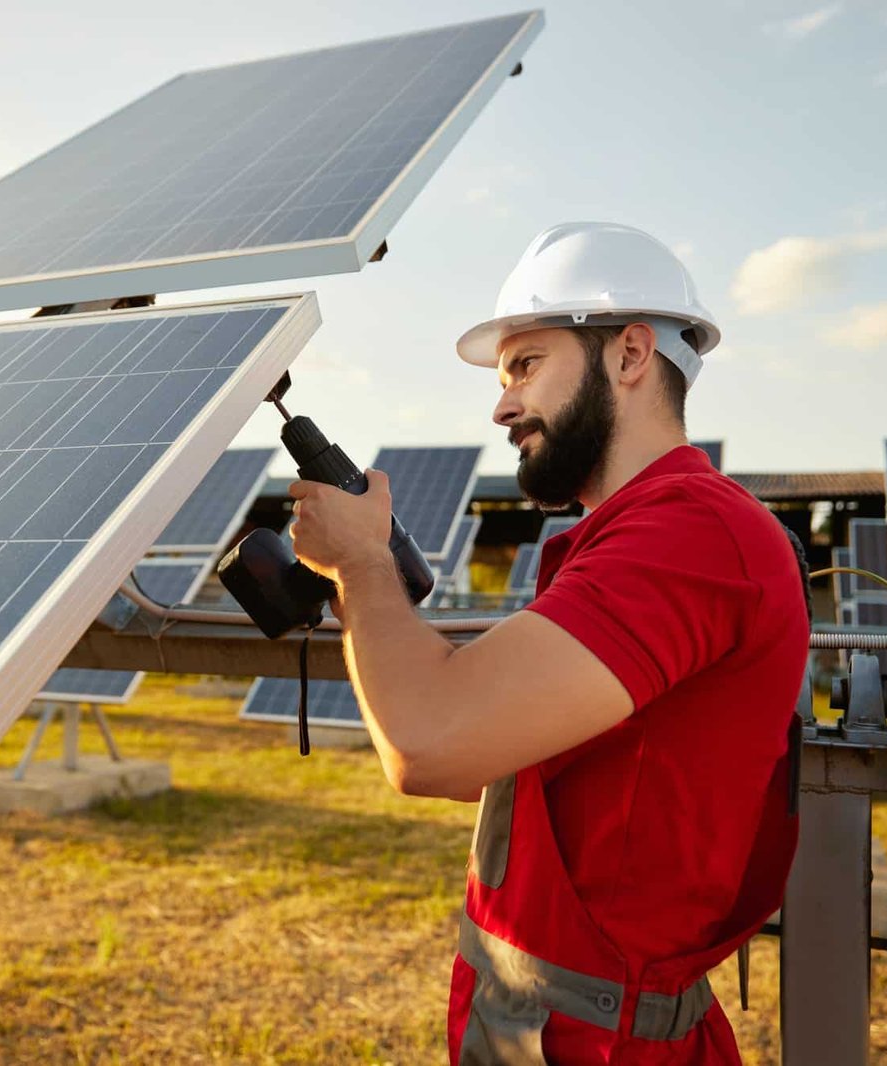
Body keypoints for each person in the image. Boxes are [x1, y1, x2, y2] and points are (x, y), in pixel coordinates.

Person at [286, 222, 810, 1064]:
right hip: (544, 1025)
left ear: (631, 355)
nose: (500, 404)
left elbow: (430, 745)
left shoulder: (693, 535)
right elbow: (497, 753)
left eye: (526, 365)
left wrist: (358, 565)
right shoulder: (628, 536)